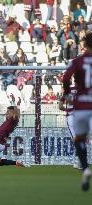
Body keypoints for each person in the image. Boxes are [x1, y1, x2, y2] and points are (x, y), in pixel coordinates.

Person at [62, 32, 92, 191]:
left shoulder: (78, 60)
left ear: (84, 44)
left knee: (79, 138)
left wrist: (67, 94)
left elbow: (66, 78)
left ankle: (85, 168)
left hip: (80, 107)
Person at [59, 86, 82, 169]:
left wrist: (67, 110)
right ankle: (79, 160)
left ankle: (79, 161)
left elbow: (60, 106)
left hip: (71, 117)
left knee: (75, 139)